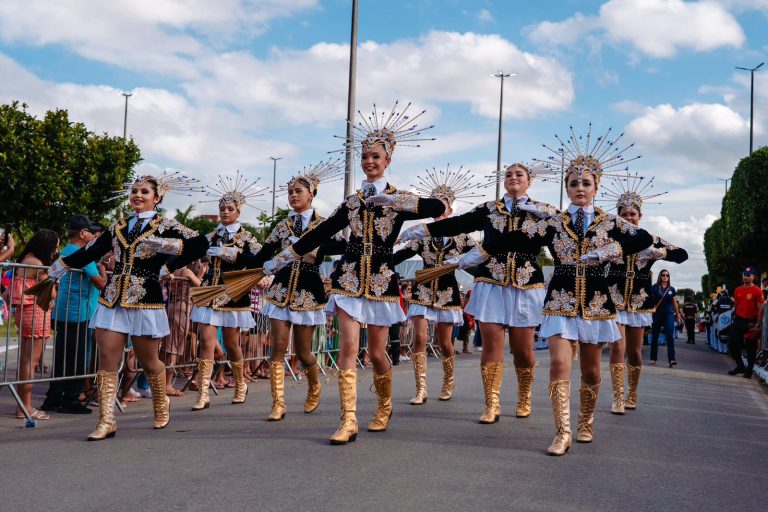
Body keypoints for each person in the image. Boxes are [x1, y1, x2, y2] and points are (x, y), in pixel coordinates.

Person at [263, 102, 446, 444]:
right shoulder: (352, 201)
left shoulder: (398, 198)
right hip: (347, 278)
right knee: (348, 348)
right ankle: (348, 420)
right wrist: (285, 256)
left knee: (377, 353)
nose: (369, 162)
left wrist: (396, 204)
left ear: (388, 160)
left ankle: (383, 406)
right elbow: (320, 232)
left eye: (376, 156)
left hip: (380, 280)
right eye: (365, 156)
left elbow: (438, 208)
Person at [465, 127, 653, 455]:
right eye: (573, 183)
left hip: (596, 302)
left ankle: (585, 423)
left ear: (596, 187)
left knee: (592, 370)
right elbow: (511, 241)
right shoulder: (553, 222)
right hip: (561, 300)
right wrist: (505, 217)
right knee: (560, 365)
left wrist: (606, 253)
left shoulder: (609, 223)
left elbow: (643, 238)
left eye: (586, 183)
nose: (579, 188)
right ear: (566, 187)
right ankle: (562, 431)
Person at [47, 173, 209, 440]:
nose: (138, 195)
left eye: (145, 192)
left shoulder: (165, 224)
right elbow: (91, 252)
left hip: (145, 299)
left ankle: (160, 404)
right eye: (134, 190)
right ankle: (107, 420)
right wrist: (61, 266)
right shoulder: (118, 226)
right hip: (113, 297)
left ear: (157, 198)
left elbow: (200, 243)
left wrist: (166, 258)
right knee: (107, 357)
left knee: (148, 360)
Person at [400, 163, 558, 421]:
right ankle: (492, 404)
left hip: (526, 285)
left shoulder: (545, 212)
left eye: (519, 175)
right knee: (492, 346)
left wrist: (548, 217)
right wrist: (422, 229)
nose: (513, 178)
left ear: (530, 182)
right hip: (491, 282)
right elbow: (458, 224)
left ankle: (524, 394)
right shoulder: (489, 209)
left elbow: (563, 242)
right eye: (508, 174)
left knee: (522, 351)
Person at [246, 161, 345, 420]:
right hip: (281, 290)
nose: (292, 196)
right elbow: (263, 255)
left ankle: (314, 387)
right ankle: (277, 403)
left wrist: (319, 248)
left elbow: (341, 247)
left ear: (311, 195)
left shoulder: (324, 224)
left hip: (308, 290)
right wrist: (239, 260)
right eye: (290, 192)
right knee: (277, 347)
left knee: (303, 351)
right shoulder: (282, 226)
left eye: (298, 191)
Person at [392, 165, 481, 404]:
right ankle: (420, 389)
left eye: (445, 207)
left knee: (445, 343)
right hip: (423, 290)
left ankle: (448, 382)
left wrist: (465, 265)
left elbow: (480, 256)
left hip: (447, 292)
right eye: (437, 207)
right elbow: (401, 255)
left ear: (451, 210)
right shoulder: (423, 235)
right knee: (419, 339)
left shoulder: (461, 236)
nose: (440, 212)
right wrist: (381, 263)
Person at [601, 177, 688, 413]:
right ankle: (618, 396)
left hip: (639, 302)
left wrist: (660, 253)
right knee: (617, 348)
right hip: (616, 299)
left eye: (633, 214)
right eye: (624, 213)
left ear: (640, 216)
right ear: (618, 215)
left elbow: (682, 254)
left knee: (635, 353)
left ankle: (632, 392)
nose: (629, 218)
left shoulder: (650, 239)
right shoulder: (609, 237)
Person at [188, 172, 266, 411]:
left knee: (232, 344)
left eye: (229, 208)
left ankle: (240, 383)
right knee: (206, 342)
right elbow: (193, 247)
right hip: (211, 289)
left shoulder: (247, 238)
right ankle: (203, 392)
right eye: (221, 208)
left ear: (238, 211)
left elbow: (261, 259)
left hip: (233, 291)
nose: (224, 212)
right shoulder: (213, 235)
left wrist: (231, 255)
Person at [41, 216, 107, 414]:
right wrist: (103, 269)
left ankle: (53, 398)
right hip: (78, 313)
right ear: (82, 233)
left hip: (68, 311)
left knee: (63, 358)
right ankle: (70, 399)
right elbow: (100, 283)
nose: (93, 235)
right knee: (78, 358)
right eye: (90, 232)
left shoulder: (69, 251)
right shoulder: (80, 253)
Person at [11, 229, 59, 420]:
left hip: (28, 313)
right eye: (54, 247)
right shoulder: (37, 264)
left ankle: (22, 405)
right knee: (31, 361)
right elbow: (51, 294)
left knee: (26, 360)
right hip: (36, 314)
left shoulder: (26, 259)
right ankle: (26, 406)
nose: (55, 251)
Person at [727, 267, 764, 379]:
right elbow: (737, 305)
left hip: (751, 321)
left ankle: (749, 371)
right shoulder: (737, 290)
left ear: (753, 277)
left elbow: (761, 308)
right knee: (731, 345)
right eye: (744, 274)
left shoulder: (758, 291)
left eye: (749, 275)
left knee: (750, 347)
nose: (746, 277)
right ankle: (740, 366)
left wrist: (758, 325)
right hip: (739, 319)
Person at [649, 270, 683, 367]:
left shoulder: (671, 289)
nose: (665, 277)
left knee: (669, 336)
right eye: (663, 275)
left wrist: (677, 315)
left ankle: (672, 359)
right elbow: (650, 300)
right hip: (657, 314)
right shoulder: (655, 287)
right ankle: (653, 358)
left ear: (669, 277)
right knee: (655, 336)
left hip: (668, 314)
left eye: (667, 275)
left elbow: (674, 303)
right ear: (660, 276)